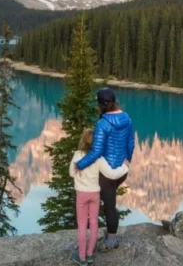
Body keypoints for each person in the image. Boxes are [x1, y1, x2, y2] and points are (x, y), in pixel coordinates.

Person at [74, 88, 135, 250]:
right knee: (109, 202)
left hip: (107, 173)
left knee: (109, 205)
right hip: (121, 170)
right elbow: (131, 143)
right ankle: (111, 231)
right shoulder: (126, 118)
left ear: (102, 104)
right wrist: (127, 162)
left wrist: (79, 165)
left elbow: (96, 151)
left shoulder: (103, 124)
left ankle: (112, 238)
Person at [69, 129, 129, 265]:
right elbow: (113, 174)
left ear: (83, 142)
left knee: (83, 225)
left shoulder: (77, 155)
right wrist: (125, 167)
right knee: (95, 222)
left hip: (82, 194)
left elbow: (71, 173)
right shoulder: (99, 158)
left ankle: (81, 257)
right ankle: (90, 254)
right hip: (95, 193)